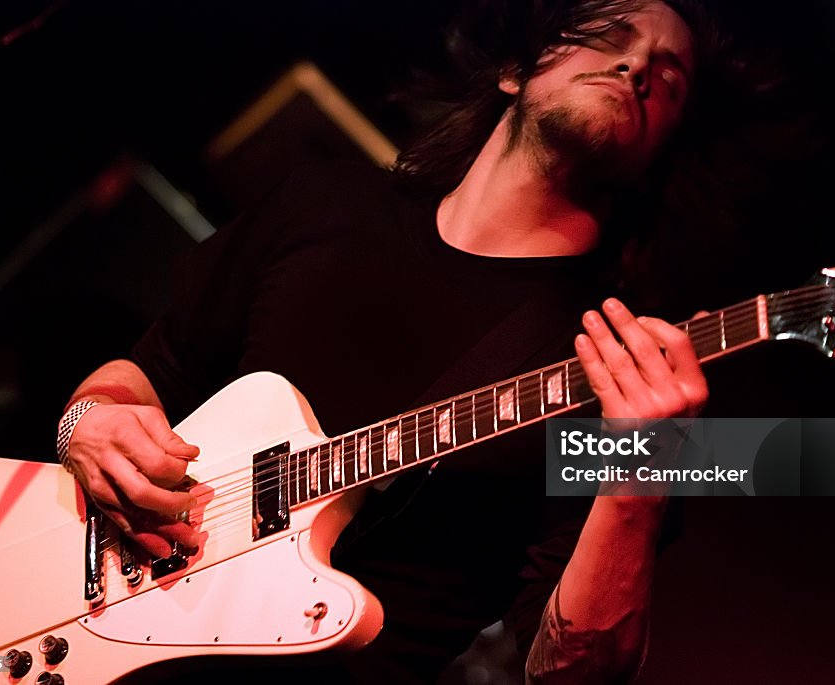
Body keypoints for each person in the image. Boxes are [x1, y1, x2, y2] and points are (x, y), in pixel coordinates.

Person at [58, 0, 716, 682]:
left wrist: (639, 484)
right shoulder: (325, 202)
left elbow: (568, 674)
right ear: (516, 70)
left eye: (669, 79)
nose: (637, 65)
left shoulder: (623, 370)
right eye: (611, 35)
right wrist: (86, 420)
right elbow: (153, 366)